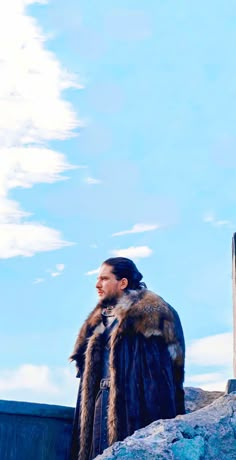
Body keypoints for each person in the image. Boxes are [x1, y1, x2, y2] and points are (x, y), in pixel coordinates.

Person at [69, 257, 185, 460]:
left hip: (133, 408)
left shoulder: (153, 314)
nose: (97, 285)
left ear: (122, 282)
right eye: (97, 279)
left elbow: (167, 373)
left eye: (104, 279)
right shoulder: (100, 319)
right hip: (98, 405)